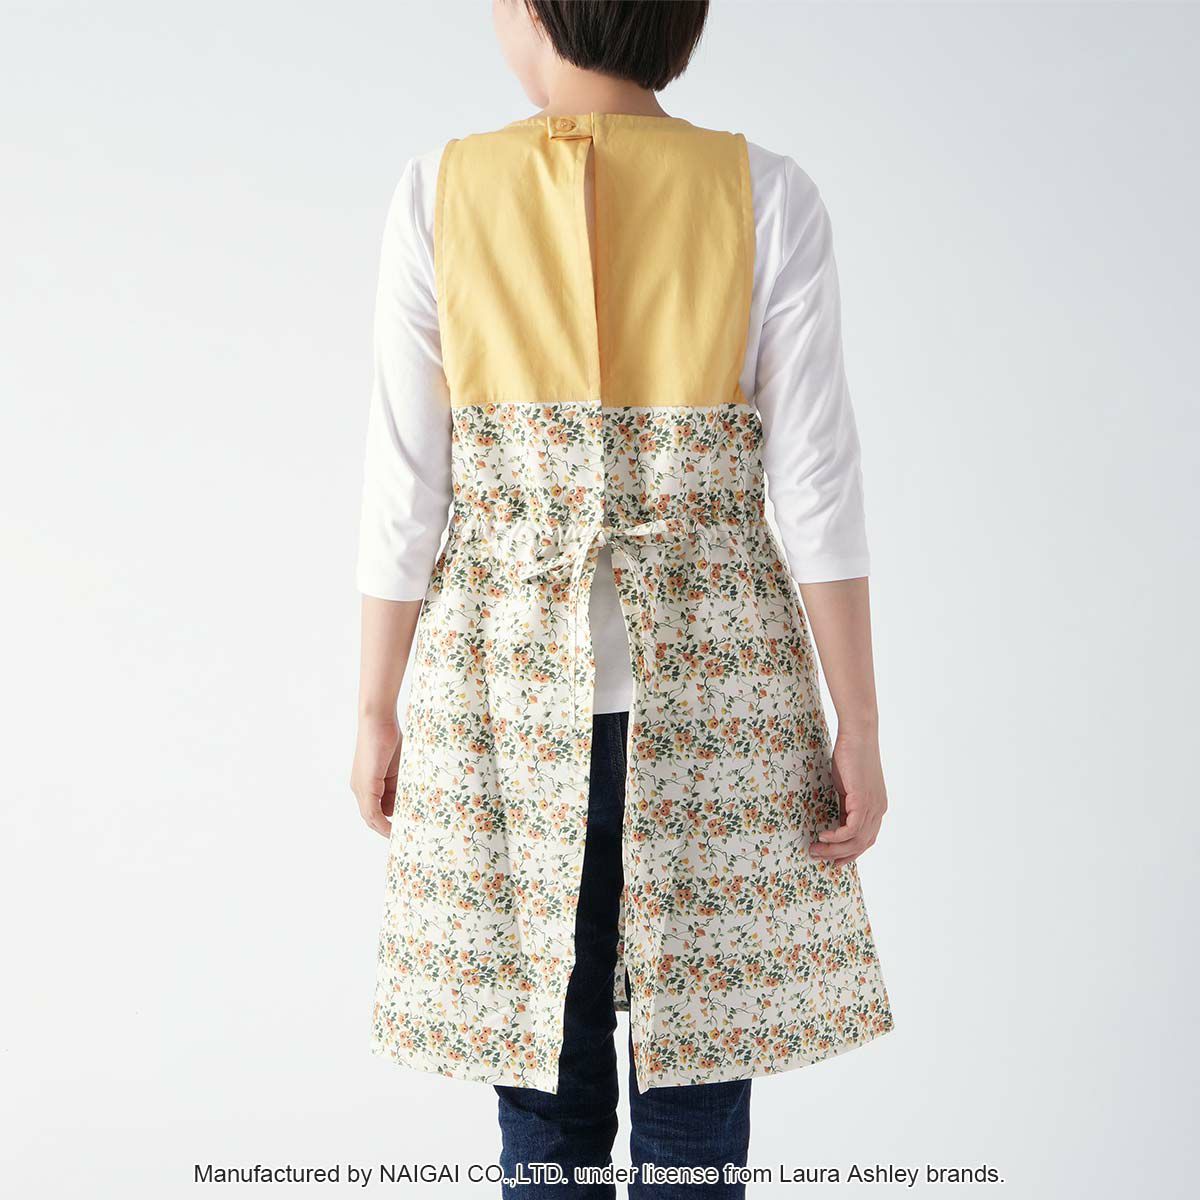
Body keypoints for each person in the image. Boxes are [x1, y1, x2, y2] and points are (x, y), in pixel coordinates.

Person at [350, 2, 894, 1196]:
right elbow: (817, 487)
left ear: (534, 9)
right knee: (699, 1093)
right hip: (720, 705)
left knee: (543, 1094)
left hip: (504, 702)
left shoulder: (439, 192)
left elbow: (406, 491)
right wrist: (857, 721)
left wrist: (375, 706)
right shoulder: (765, 193)